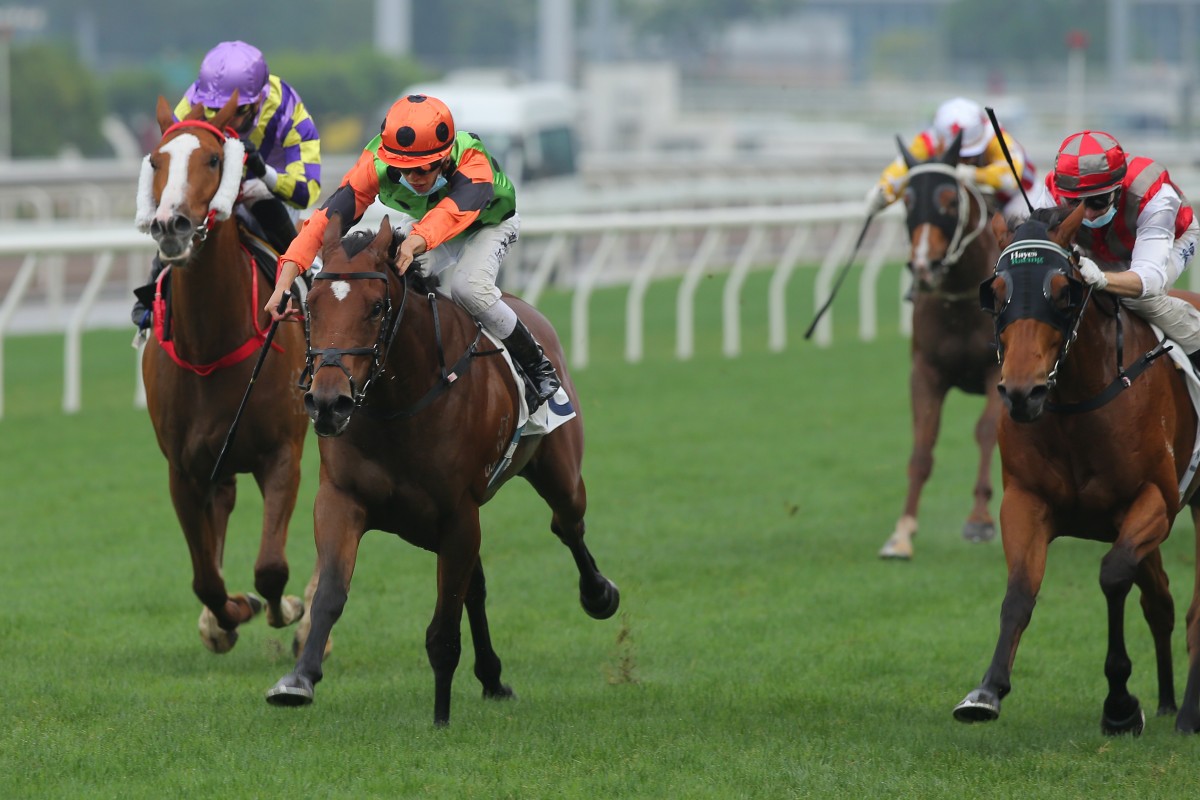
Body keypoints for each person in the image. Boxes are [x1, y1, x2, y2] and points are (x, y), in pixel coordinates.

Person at [264, 93, 561, 411]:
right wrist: (284, 284)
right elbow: (321, 224)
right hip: (425, 222)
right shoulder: (375, 165)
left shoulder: (472, 159)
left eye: (423, 169)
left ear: (445, 157)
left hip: (487, 223)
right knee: (386, 278)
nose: (414, 179)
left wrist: (414, 241)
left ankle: (538, 367)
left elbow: (452, 213)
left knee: (468, 288)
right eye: (404, 170)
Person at [132, 40, 321, 330]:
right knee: (182, 216)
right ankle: (153, 288)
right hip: (215, 183)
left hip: (271, 188)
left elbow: (306, 191)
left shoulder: (289, 112)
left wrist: (262, 171)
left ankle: (310, 284)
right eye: (214, 109)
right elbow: (171, 166)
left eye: (237, 110)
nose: (226, 118)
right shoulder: (192, 104)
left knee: (260, 199)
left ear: (258, 100)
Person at [1032, 129, 1200, 358]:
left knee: (1137, 300)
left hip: (1176, 240)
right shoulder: (1053, 192)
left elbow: (1148, 280)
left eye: (1098, 201)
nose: (1087, 213)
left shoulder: (1154, 193)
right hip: (1101, 245)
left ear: (1119, 189)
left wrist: (1101, 278)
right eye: (1074, 203)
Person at [866, 97, 1036, 219]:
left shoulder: (995, 137)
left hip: (1019, 197)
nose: (963, 161)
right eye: (957, 156)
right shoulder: (928, 141)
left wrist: (970, 174)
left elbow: (1010, 176)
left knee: (1020, 225)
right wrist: (883, 192)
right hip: (973, 200)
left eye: (969, 155)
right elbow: (902, 168)